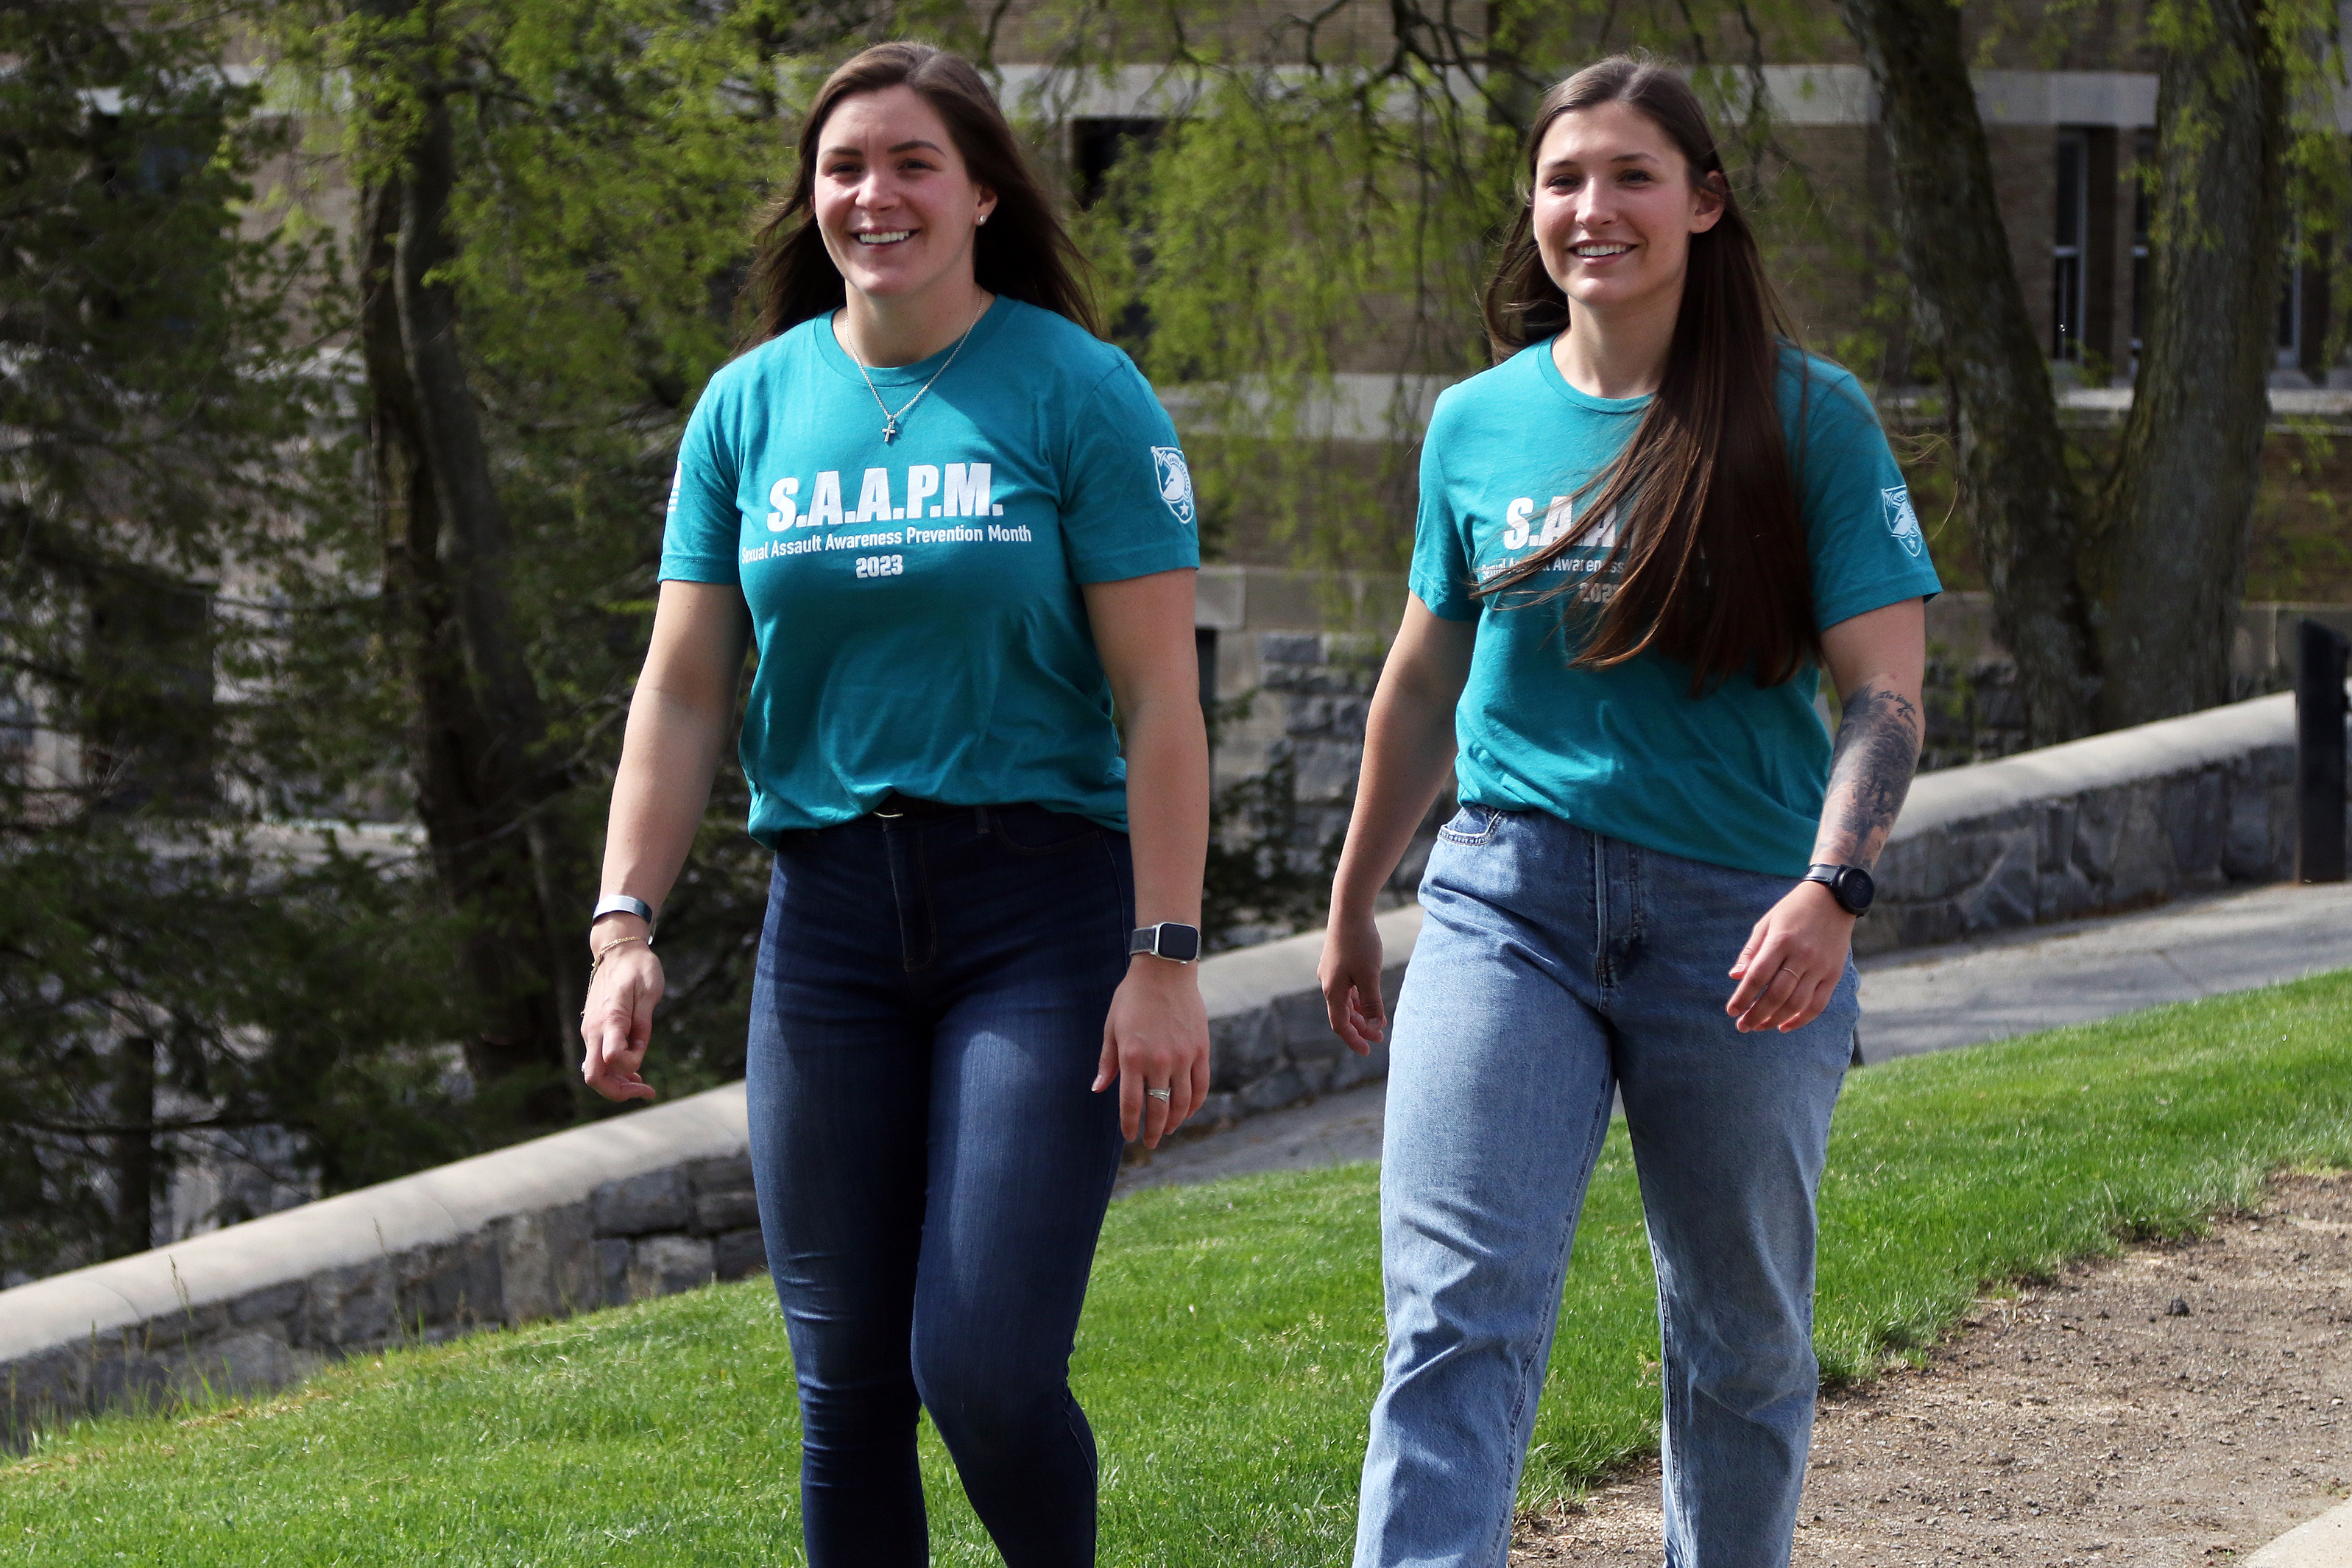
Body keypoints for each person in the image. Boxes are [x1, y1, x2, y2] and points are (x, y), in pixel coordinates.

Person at [575, 40, 1212, 1568]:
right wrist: (622, 925)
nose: (877, 194)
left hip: (1038, 915)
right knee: (845, 1389)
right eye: (846, 165)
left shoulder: (1076, 390)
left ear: (983, 191)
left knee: (982, 1366)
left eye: (914, 161)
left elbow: (1158, 702)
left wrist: (1166, 954)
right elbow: (678, 689)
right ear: (812, 198)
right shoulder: (747, 409)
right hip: (829, 926)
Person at [1318, 55, 1941, 1568]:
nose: (1590, 208)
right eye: (1561, 179)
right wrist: (1351, 899)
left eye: (1629, 176)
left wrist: (1829, 892)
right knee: (1452, 1315)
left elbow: (1885, 697)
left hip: (1741, 920)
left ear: (1702, 203)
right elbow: (1420, 681)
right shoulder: (1472, 424)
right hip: (1502, 902)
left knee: (1735, 1335)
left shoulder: (1809, 419)